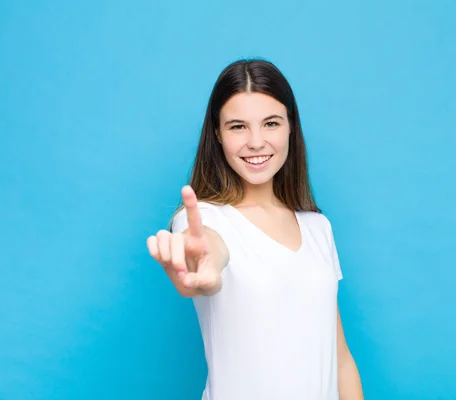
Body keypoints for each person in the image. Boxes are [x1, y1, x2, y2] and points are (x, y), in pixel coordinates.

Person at [147, 58, 363, 399]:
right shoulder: (204, 221)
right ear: (217, 134)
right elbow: (208, 252)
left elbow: (341, 360)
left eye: (271, 123)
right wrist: (202, 269)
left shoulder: (318, 227)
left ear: (291, 126)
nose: (256, 142)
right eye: (237, 127)